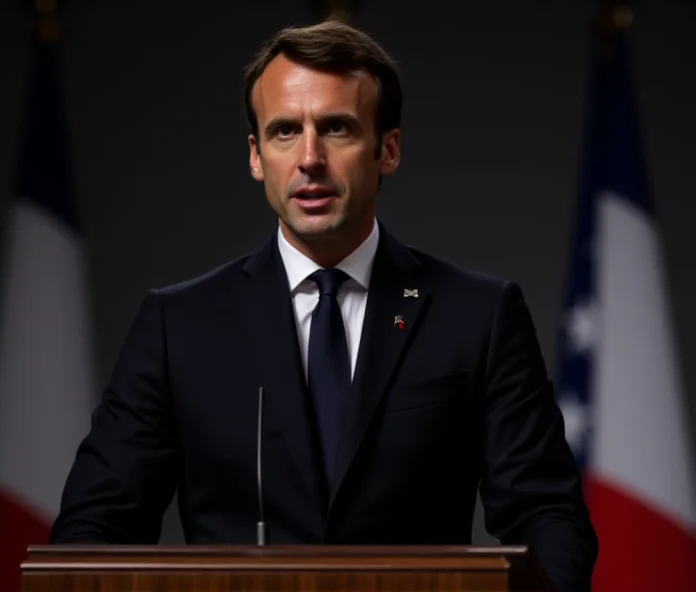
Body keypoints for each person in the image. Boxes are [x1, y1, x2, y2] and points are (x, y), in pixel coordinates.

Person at [50, 20, 598, 592]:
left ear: (387, 148)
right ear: (257, 156)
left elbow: (548, 518)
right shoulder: (178, 325)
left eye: (336, 128)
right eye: (285, 131)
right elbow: (93, 528)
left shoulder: (479, 316)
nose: (309, 158)